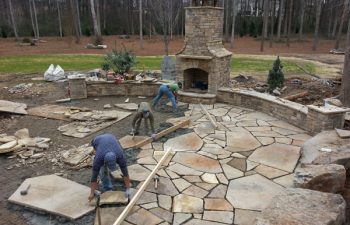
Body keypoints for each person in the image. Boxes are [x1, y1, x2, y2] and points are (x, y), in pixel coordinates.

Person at [88, 133, 131, 202]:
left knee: (122, 167)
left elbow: (125, 173)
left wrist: (128, 188)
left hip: (111, 137)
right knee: (103, 172)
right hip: (96, 141)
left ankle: (108, 177)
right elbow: (94, 177)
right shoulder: (98, 159)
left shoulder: (120, 155)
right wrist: (92, 193)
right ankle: (108, 189)